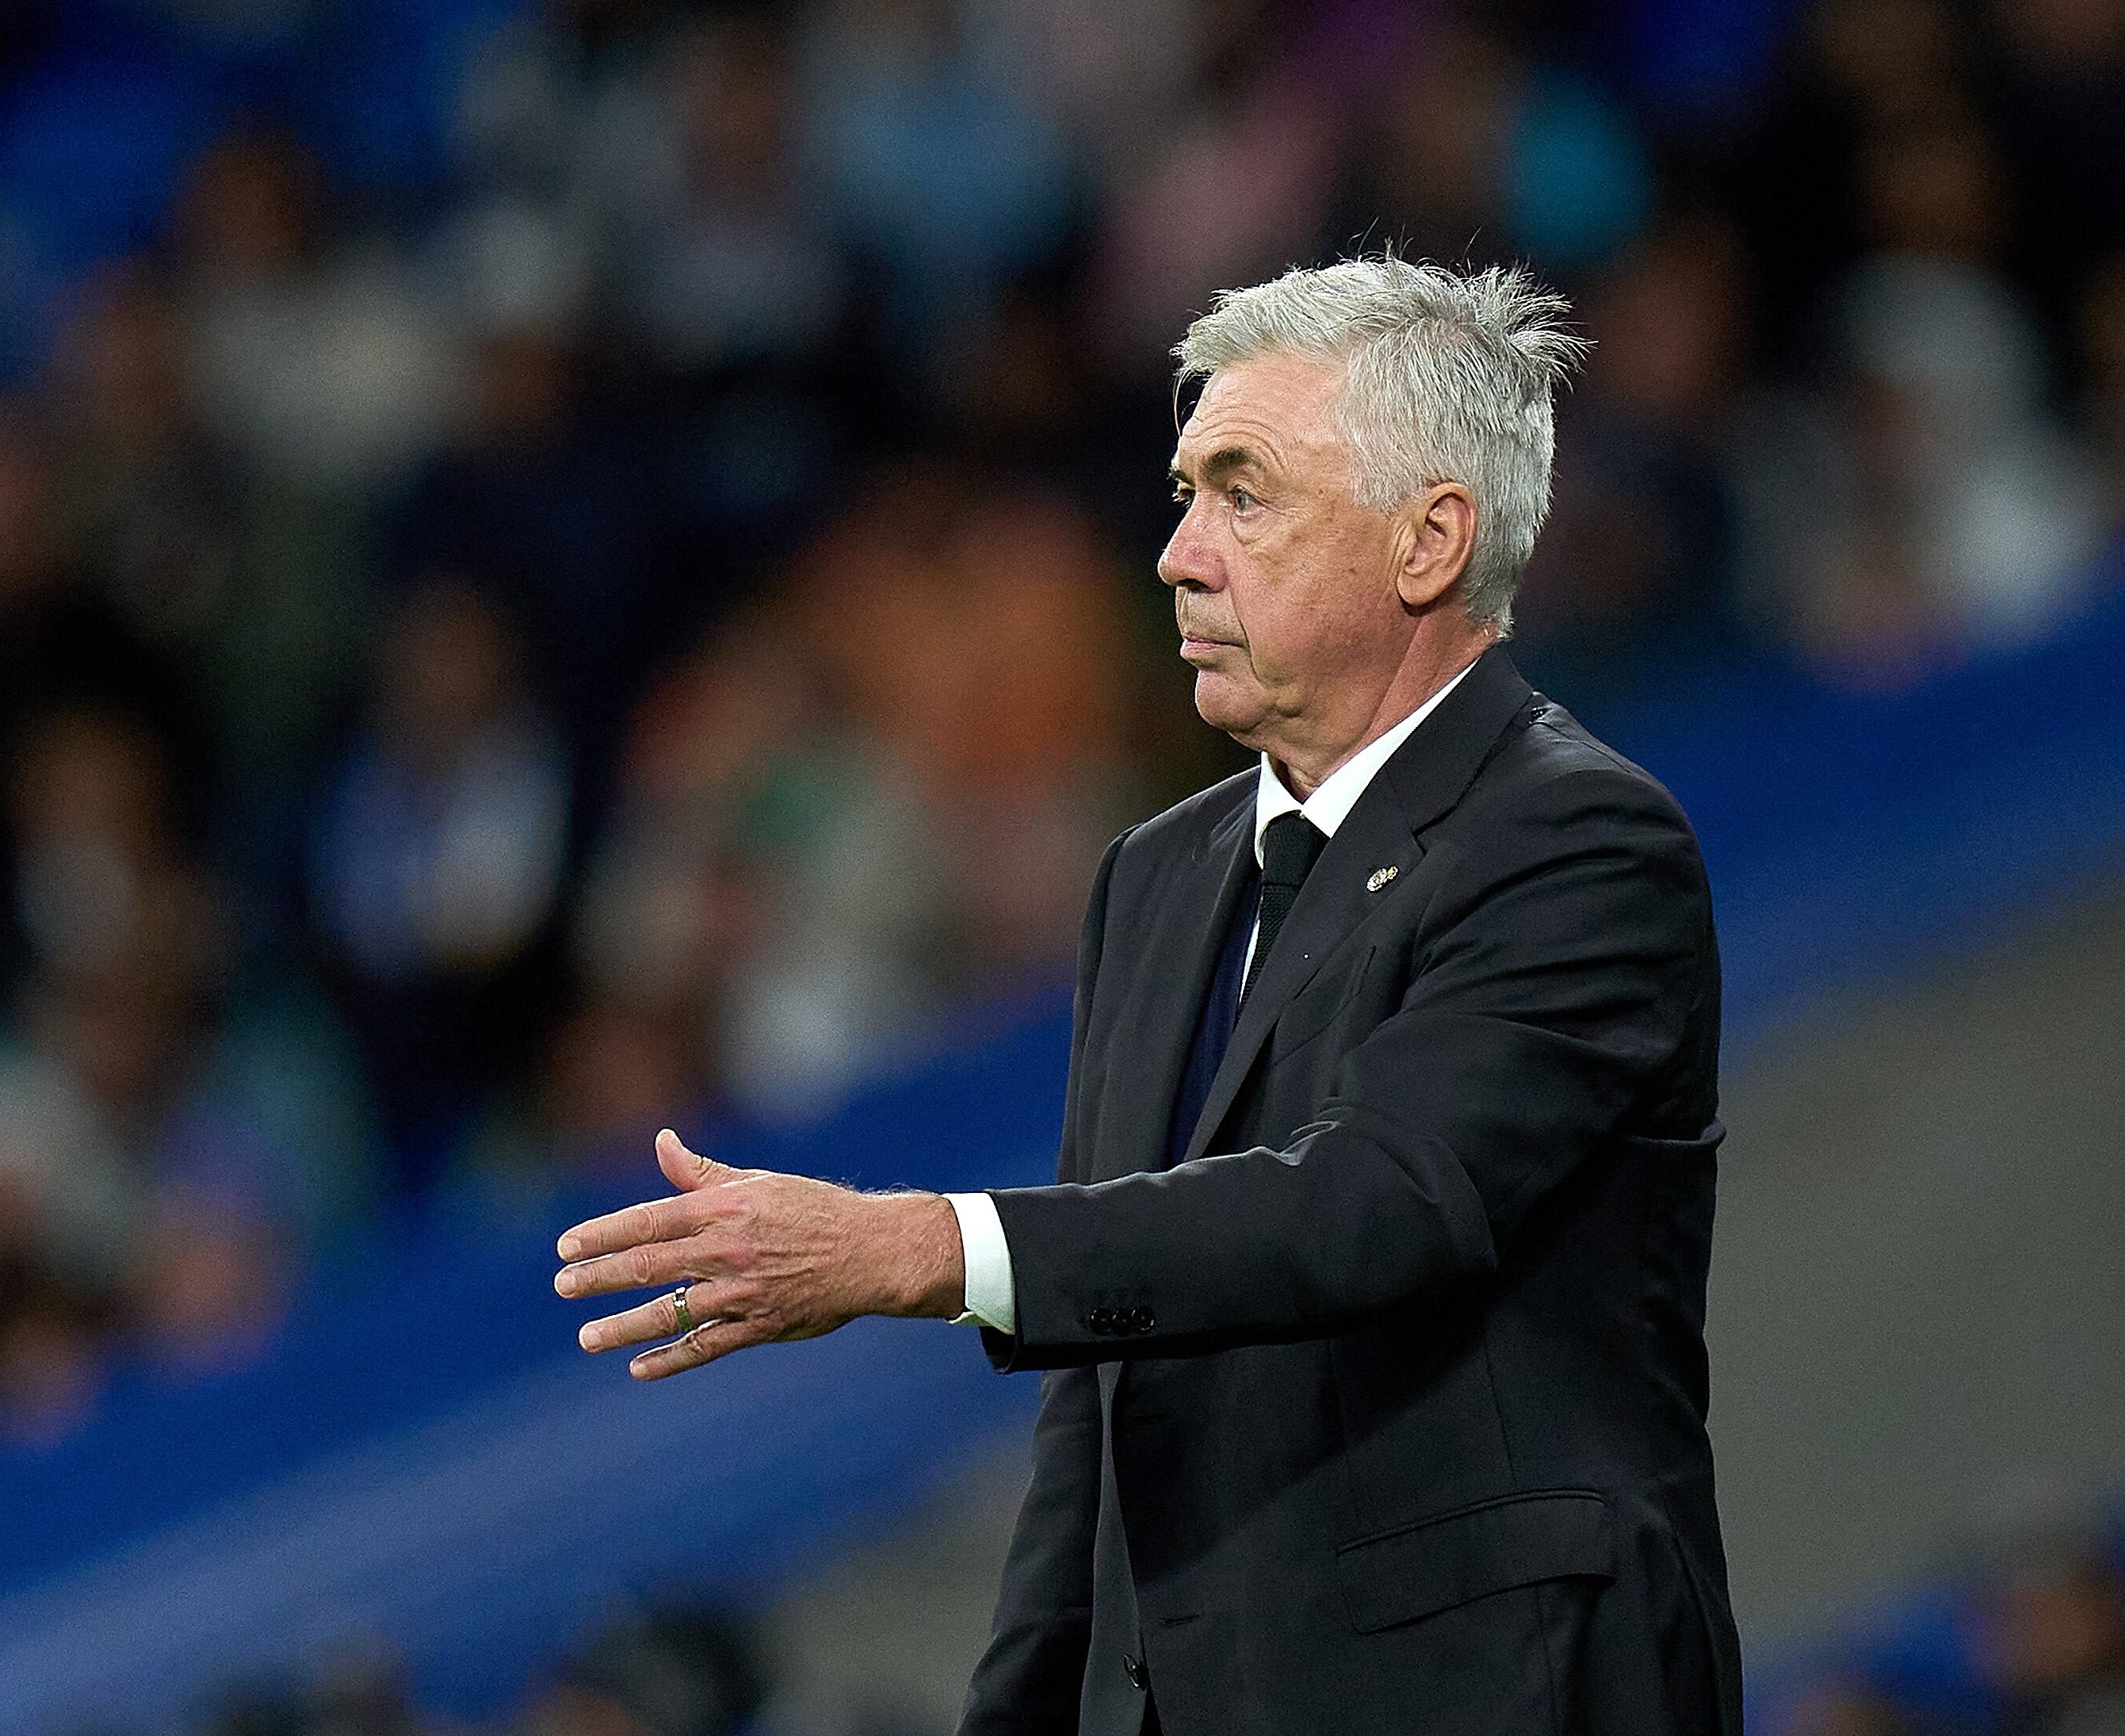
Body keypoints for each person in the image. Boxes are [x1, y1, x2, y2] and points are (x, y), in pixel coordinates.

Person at [554, 257, 1740, 1735]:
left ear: (1428, 542)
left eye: (1244, 495)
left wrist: (922, 1245)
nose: (1178, 554)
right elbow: (1096, 1418)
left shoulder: (1575, 842)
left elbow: (1378, 1204)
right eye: (1185, 494)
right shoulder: (1157, 884)